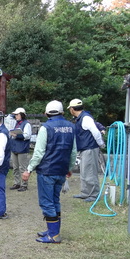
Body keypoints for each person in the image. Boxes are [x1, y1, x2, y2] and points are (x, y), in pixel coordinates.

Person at [22, 100, 77, 243]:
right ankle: (54, 230)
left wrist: (29, 169)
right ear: (62, 112)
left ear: (46, 113)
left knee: (47, 203)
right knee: (55, 201)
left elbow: (39, 152)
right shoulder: (71, 127)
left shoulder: (45, 128)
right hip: (61, 170)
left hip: (47, 171)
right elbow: (73, 151)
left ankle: (53, 235)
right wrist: (69, 168)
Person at [67, 99, 105, 202]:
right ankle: (85, 193)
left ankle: (94, 195)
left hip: (90, 148)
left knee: (90, 172)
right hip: (85, 148)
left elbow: (96, 132)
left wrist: (100, 144)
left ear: (72, 109)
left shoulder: (85, 118)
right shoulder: (80, 118)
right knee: (84, 172)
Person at [9, 107, 31, 192]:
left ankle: (24, 184)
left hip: (22, 148)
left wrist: (17, 135)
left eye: (17, 115)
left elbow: (27, 136)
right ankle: (17, 183)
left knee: (22, 167)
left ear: (21, 115)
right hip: (15, 147)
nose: (16, 116)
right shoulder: (17, 123)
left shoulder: (26, 124)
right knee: (15, 167)